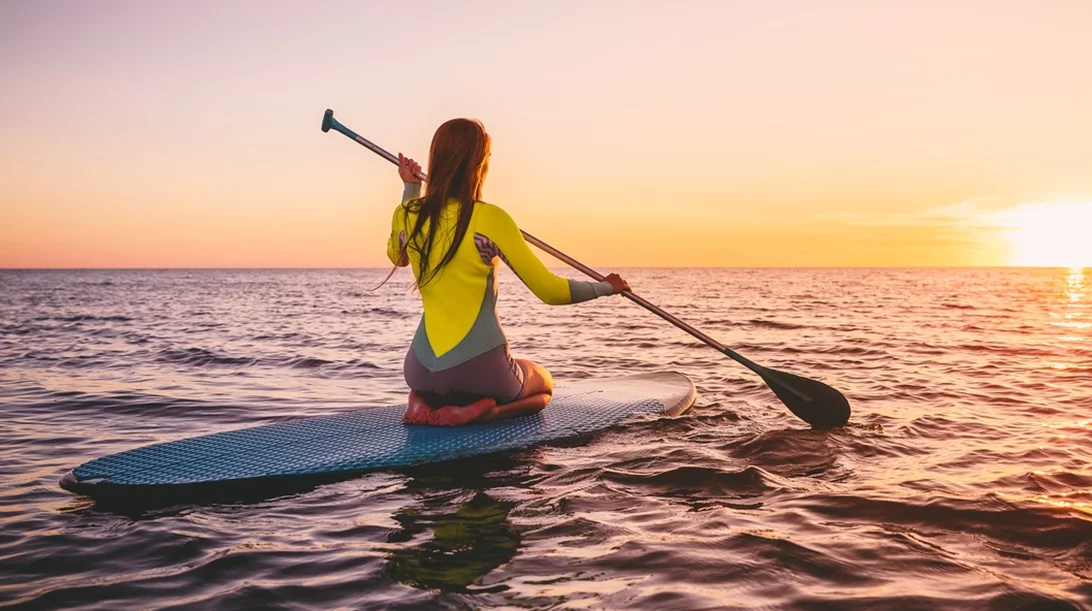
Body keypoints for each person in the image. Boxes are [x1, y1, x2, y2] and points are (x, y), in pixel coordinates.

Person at [387, 118, 629, 426]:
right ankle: (484, 411)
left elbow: (398, 257)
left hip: (418, 370)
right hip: (481, 372)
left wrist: (410, 190)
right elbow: (550, 291)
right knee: (544, 385)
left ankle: (419, 400)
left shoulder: (407, 214)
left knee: (438, 382)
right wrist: (605, 287)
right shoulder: (491, 218)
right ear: (479, 164)